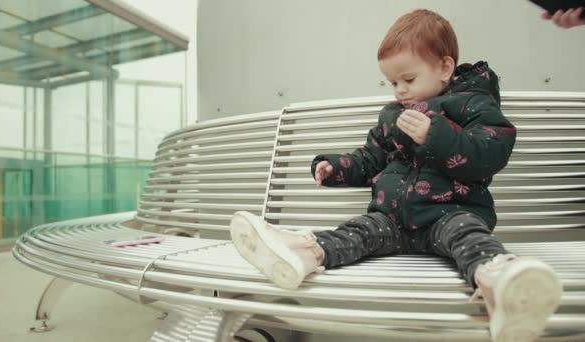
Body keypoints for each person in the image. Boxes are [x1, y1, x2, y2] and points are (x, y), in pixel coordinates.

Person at [230, 9, 562, 342]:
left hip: (451, 214)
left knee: (469, 238)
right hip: (392, 220)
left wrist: (435, 135)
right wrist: (335, 168)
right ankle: (303, 254)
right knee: (358, 231)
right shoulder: (393, 116)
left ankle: (501, 284)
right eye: (393, 82)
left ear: (444, 68)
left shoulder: (471, 105)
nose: (400, 90)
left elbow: (490, 152)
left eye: (408, 79)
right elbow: (371, 158)